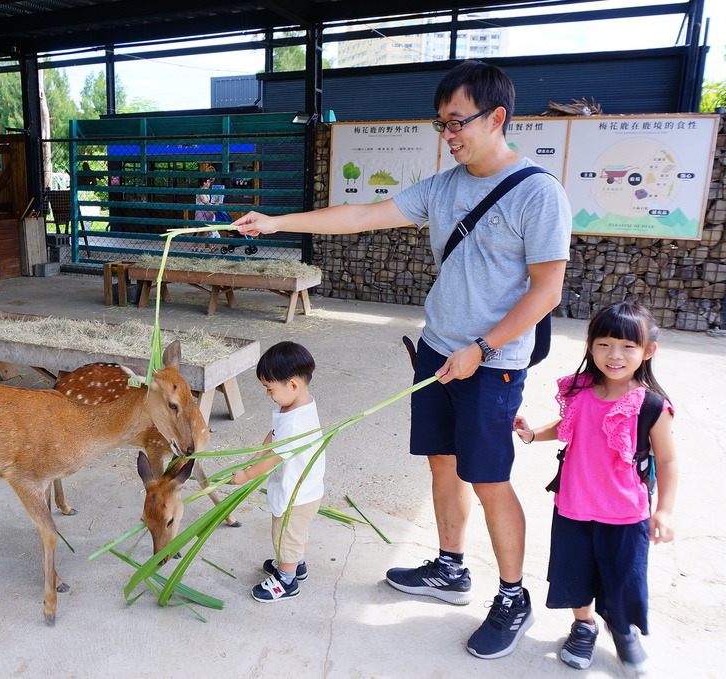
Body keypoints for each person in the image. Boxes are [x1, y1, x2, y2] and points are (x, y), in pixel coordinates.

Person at [234, 60, 571, 657]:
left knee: (489, 478)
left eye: (457, 122)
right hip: (440, 351)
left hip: (492, 362)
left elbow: (547, 291)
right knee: (443, 463)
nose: (449, 135)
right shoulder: (443, 186)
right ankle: (450, 567)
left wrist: (485, 348)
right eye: (442, 124)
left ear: (497, 117)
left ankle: (514, 596)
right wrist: (277, 221)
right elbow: (362, 215)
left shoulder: (539, 193)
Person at [513, 301, 677, 674]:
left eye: (627, 346)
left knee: (622, 579)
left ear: (647, 351)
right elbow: (566, 427)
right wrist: (530, 434)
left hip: (624, 513)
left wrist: (664, 510)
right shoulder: (580, 390)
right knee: (575, 575)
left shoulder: (651, 405)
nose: (613, 355)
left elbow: (667, 461)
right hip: (573, 506)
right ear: (590, 345)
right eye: (603, 344)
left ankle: (622, 630)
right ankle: (584, 626)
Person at [231, 341, 324, 603]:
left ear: (292, 385)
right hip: (304, 490)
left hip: (297, 495)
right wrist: (253, 461)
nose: (268, 395)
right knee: (295, 534)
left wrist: (246, 476)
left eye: (270, 389)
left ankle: (286, 580)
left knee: (285, 536)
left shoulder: (296, 422)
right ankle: (297, 564)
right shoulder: (296, 406)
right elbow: (273, 437)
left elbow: (274, 456)